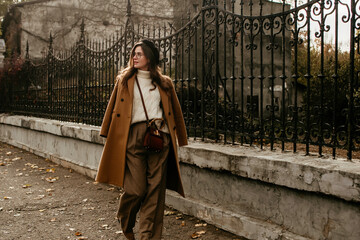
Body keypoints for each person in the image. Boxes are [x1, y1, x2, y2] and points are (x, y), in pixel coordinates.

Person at [95, 39, 188, 240]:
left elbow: (175, 113)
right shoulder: (125, 80)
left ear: (150, 57)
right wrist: (106, 133)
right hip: (133, 137)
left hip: (159, 137)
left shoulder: (164, 83)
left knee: (155, 192)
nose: (134, 57)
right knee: (136, 190)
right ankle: (125, 220)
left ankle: (148, 237)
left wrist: (180, 138)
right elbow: (112, 108)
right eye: (133, 54)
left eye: (139, 54)